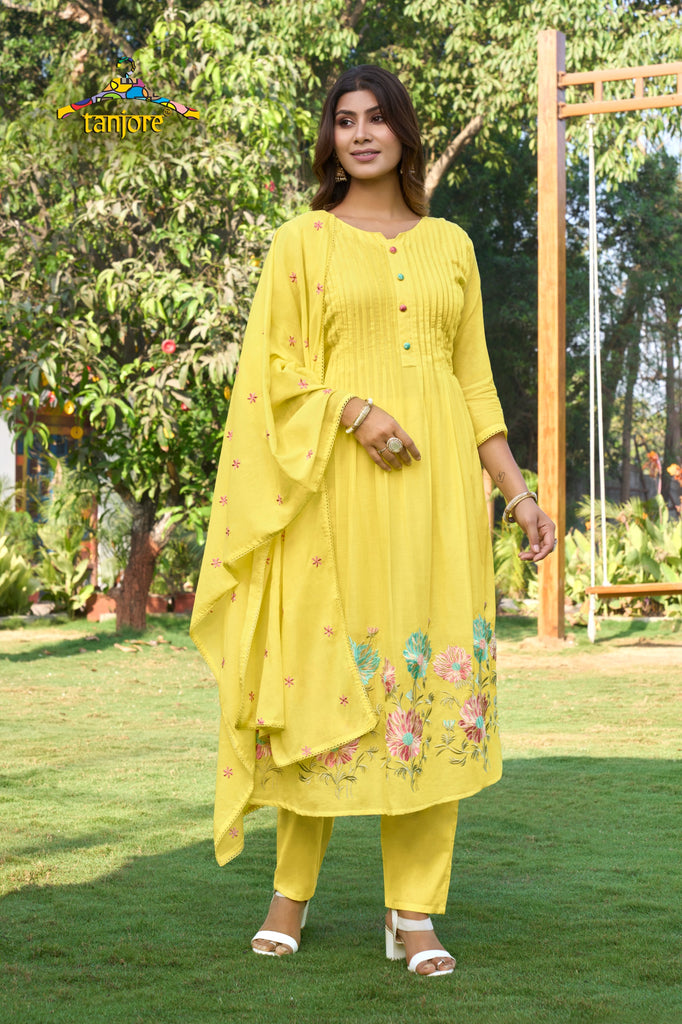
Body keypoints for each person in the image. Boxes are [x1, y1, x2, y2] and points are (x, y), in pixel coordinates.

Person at [190, 65, 556, 977]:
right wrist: (353, 410)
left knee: (427, 683)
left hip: (440, 503)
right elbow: (273, 373)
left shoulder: (452, 245)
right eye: (345, 120)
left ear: (403, 133)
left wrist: (518, 493)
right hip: (334, 498)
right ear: (332, 139)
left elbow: (474, 382)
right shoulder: (302, 242)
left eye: (377, 118)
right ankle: (290, 894)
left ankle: (413, 912)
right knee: (323, 679)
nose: (360, 133)